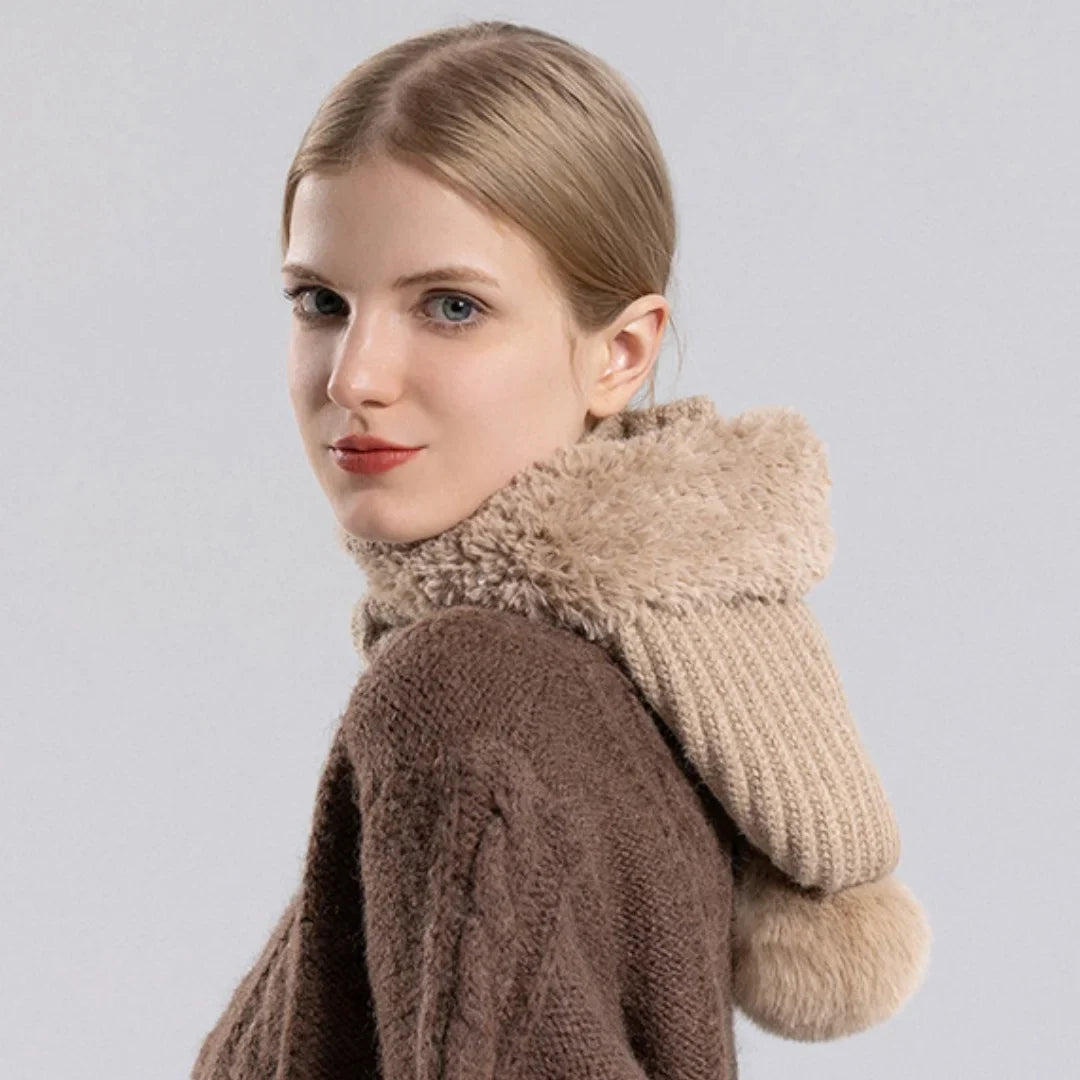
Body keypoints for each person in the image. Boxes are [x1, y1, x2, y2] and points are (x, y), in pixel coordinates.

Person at [191, 19, 930, 1080]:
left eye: (451, 307)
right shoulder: (642, 682)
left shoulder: (467, 696)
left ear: (620, 353)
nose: (354, 376)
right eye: (321, 302)